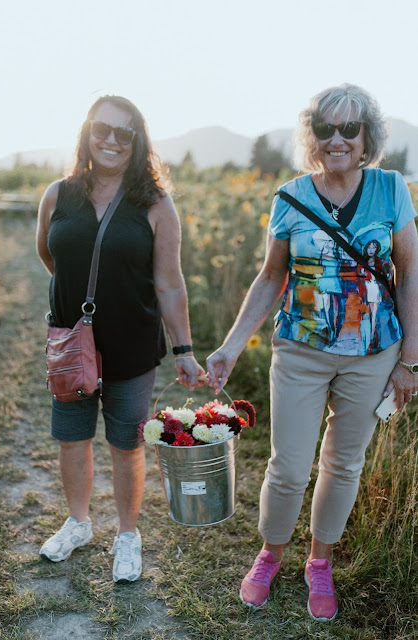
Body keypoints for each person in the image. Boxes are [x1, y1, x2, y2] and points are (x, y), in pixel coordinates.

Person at [206, 84, 418, 621]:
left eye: (349, 128)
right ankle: (271, 554)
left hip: (374, 353)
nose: (337, 139)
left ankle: (319, 563)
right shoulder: (290, 196)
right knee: (288, 466)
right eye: (325, 128)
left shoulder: (391, 189)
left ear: (366, 135)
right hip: (300, 350)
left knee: (344, 465)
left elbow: (411, 272)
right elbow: (270, 277)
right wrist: (231, 345)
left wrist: (409, 360)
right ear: (312, 136)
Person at [36, 95, 204, 583]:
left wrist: (184, 349)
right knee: (72, 437)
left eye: (123, 133)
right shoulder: (58, 195)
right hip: (72, 343)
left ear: (137, 141)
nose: (110, 140)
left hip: (132, 343)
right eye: (102, 129)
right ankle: (78, 523)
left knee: (127, 442)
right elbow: (50, 255)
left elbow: (170, 283)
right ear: (87, 132)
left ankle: (128, 535)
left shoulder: (155, 204)